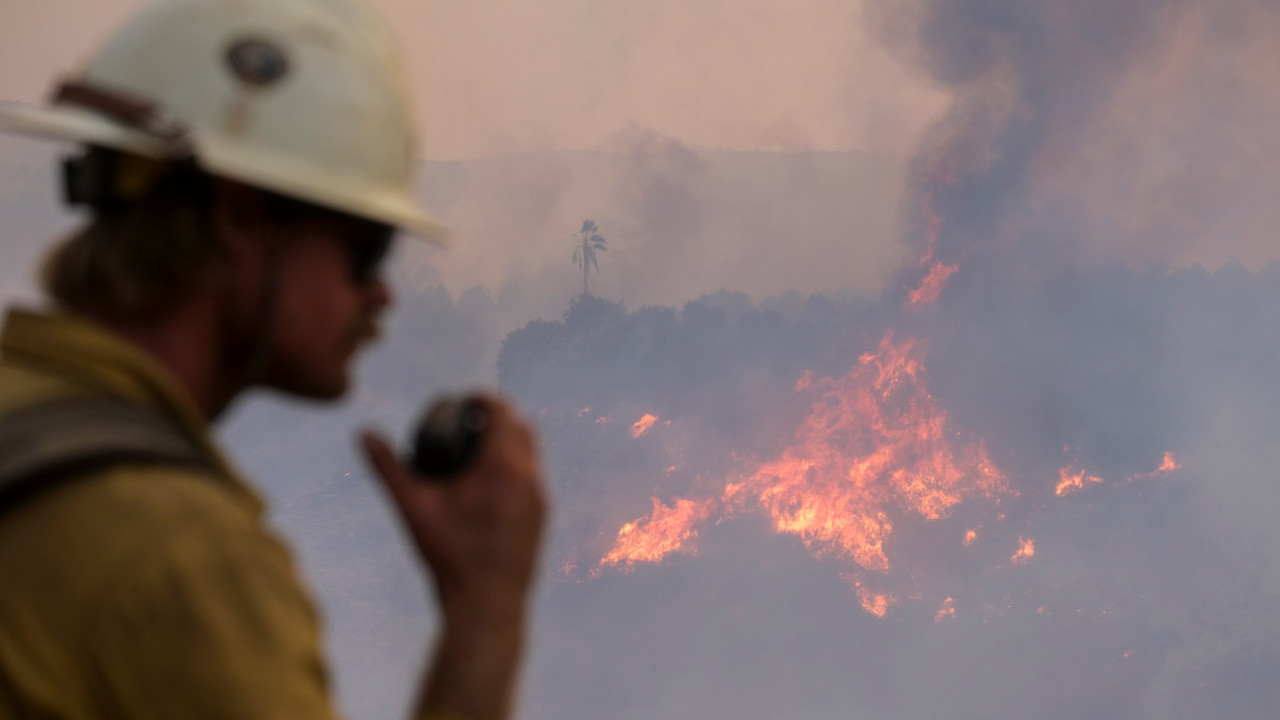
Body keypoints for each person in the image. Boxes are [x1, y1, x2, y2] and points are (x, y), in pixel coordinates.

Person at [0, 1, 547, 719]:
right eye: (367, 246)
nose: (381, 294)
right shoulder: (187, 560)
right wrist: (487, 606)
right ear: (241, 217)